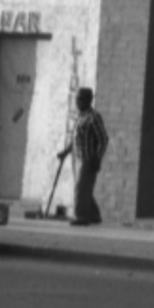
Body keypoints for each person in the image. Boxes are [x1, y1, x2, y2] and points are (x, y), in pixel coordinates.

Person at [60, 86, 109, 226]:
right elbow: (76, 139)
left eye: (80, 99)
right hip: (77, 157)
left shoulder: (94, 117)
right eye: (77, 99)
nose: (77, 102)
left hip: (89, 159)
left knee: (81, 188)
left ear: (89, 100)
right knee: (84, 188)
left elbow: (103, 139)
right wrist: (66, 152)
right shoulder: (80, 116)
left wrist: (98, 158)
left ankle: (81, 216)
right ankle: (94, 215)